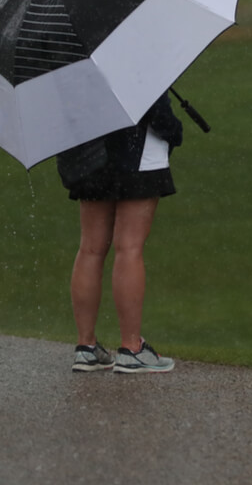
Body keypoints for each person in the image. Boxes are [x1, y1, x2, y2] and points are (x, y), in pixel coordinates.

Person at [58, 93, 183, 374]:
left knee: (90, 248)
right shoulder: (132, 51)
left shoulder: (69, 53)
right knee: (129, 247)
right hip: (136, 149)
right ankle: (131, 348)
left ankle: (86, 347)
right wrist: (174, 129)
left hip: (88, 152)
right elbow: (154, 108)